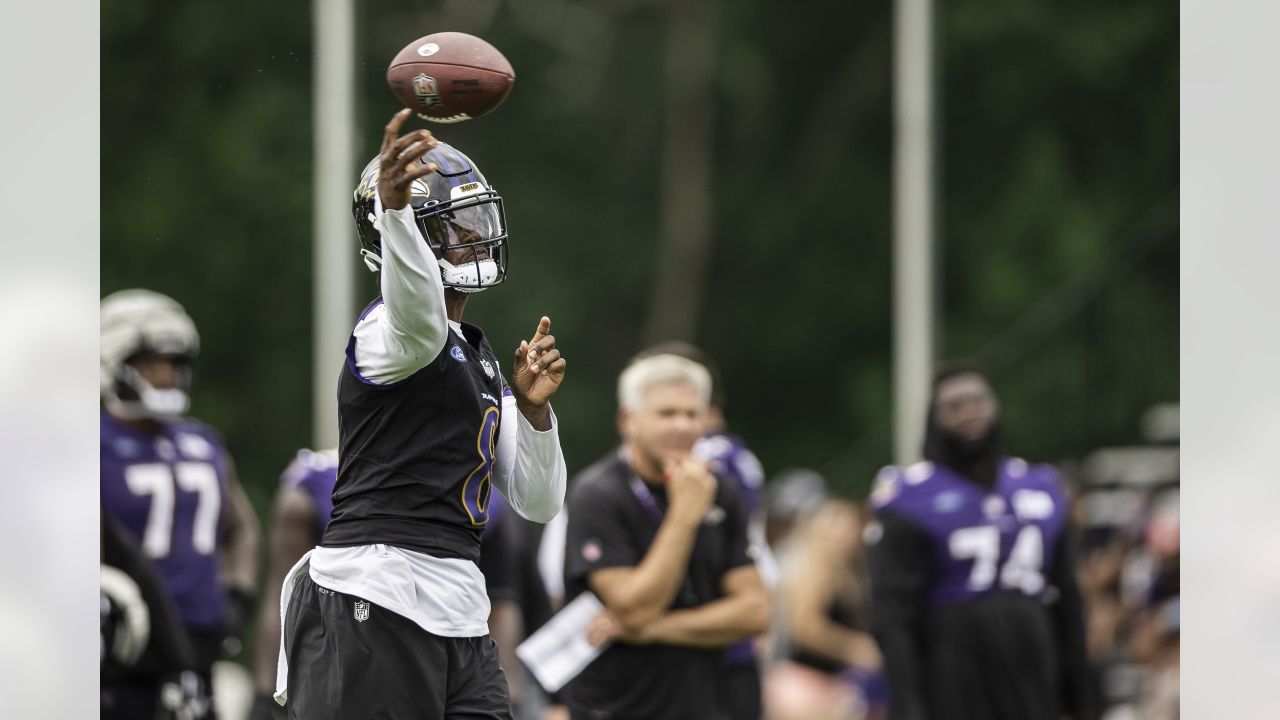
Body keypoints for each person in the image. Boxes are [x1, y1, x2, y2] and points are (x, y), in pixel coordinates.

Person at [274, 109, 569, 719]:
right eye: (453, 227)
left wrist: (536, 414)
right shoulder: (392, 330)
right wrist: (396, 210)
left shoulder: (479, 356)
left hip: (459, 600)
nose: (472, 238)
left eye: (472, 222)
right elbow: (417, 308)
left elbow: (539, 502)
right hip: (377, 590)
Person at [866, 365, 1095, 720]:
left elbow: (1069, 600)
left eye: (977, 401)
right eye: (954, 406)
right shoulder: (909, 498)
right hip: (953, 668)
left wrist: (1081, 694)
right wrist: (907, 704)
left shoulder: (1040, 487)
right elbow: (892, 615)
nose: (969, 413)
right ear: (933, 418)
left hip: (1031, 661)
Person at [562, 353, 770, 720]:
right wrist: (683, 516)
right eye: (667, 413)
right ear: (629, 420)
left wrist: (659, 628)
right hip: (617, 704)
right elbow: (634, 606)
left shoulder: (721, 489)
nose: (682, 426)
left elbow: (755, 612)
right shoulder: (597, 493)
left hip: (705, 703)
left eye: (692, 414)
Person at [99, 288, 262, 720]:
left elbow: (240, 527)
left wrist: (238, 596)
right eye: (151, 364)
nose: (166, 377)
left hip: (199, 650)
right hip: (120, 658)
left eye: (173, 364)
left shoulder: (202, 442)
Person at [631, 340, 772, 719]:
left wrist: (653, 625)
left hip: (714, 644)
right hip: (716, 638)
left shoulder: (712, 461)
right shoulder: (738, 457)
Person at [764, 498, 885, 720]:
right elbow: (803, 627)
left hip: (839, 683)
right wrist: (854, 649)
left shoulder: (851, 571)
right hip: (806, 684)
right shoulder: (813, 570)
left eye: (848, 526)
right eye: (835, 527)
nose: (843, 534)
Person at [249, 448, 338, 720]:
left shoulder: (319, 474)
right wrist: (266, 695)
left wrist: (264, 694)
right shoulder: (318, 479)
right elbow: (282, 599)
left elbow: (279, 599)